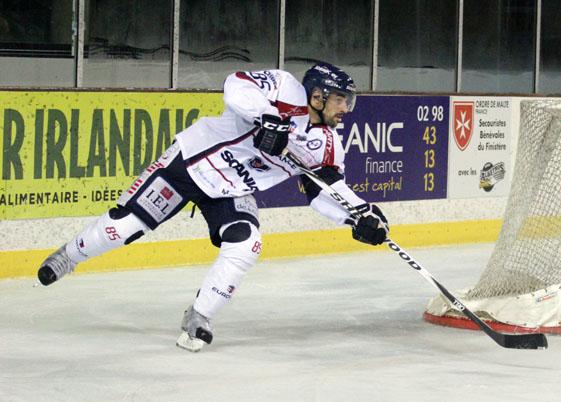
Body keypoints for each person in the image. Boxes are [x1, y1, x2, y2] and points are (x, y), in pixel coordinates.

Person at [36, 62, 389, 351]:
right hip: (190, 164)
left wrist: (359, 215)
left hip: (232, 190)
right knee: (121, 228)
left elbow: (323, 189)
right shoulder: (283, 88)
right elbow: (236, 83)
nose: (346, 108)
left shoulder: (327, 145)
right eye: (341, 100)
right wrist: (266, 116)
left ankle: (199, 315)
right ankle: (70, 255)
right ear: (317, 96)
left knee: (247, 242)